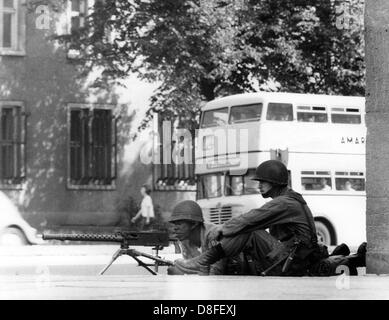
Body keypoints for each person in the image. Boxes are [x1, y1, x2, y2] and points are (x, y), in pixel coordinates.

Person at [173, 160, 324, 276]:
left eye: (263, 182)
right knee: (247, 228)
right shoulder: (287, 201)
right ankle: (204, 260)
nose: (259, 186)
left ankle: (203, 261)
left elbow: (251, 218)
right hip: (293, 260)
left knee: (249, 230)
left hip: (293, 264)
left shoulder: (285, 203)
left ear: (275, 182)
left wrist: (222, 228)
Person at [167, 200, 237, 275]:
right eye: (174, 224)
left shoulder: (213, 235)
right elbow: (193, 270)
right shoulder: (185, 240)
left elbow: (216, 272)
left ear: (194, 224)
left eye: (179, 224)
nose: (175, 228)